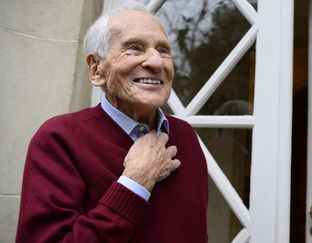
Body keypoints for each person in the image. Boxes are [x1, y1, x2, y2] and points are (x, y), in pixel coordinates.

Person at [16, 2, 208, 242]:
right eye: (135, 48)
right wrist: (134, 183)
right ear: (96, 69)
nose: (156, 62)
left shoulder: (185, 136)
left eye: (163, 50)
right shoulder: (59, 138)